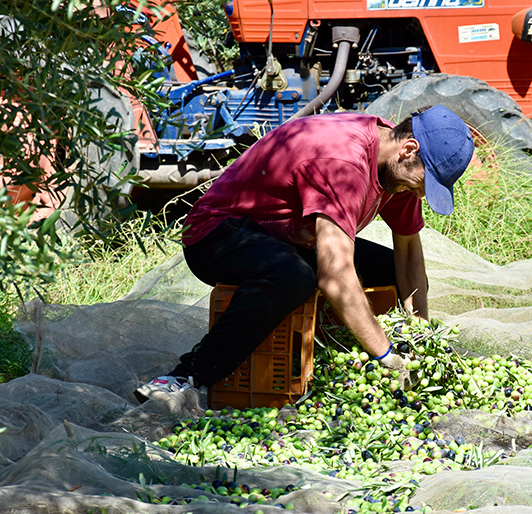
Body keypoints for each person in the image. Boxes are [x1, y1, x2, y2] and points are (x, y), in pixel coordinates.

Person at [134, 104, 475, 403]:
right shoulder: (344, 161)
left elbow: (409, 255)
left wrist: (418, 335)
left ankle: (325, 362)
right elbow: (336, 278)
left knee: (388, 271)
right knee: (293, 278)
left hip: (289, 235)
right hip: (220, 232)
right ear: (408, 149)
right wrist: (385, 353)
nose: (418, 193)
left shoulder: (395, 166)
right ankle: (186, 376)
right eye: (422, 182)